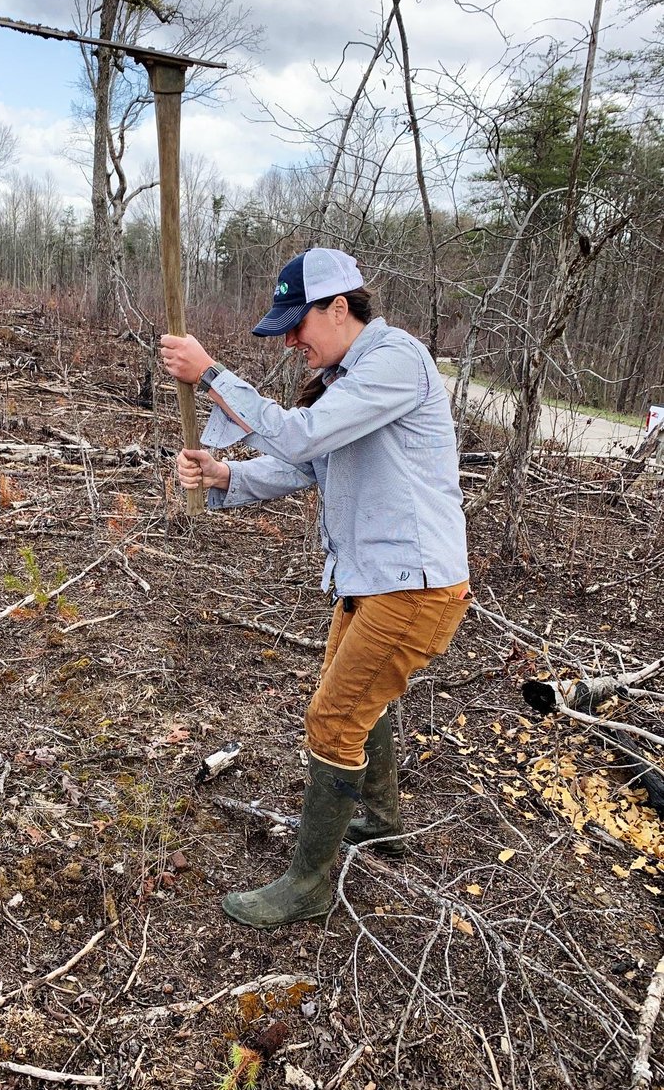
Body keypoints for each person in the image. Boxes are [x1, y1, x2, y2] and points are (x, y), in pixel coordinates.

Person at [160, 247, 470, 929]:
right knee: (357, 698)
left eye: (299, 324)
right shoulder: (345, 379)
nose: (293, 340)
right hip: (372, 583)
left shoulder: (394, 362)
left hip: (413, 589)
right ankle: (383, 822)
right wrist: (224, 478)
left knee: (333, 719)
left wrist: (210, 374)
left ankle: (308, 885)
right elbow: (307, 465)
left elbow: (300, 438)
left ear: (339, 307)